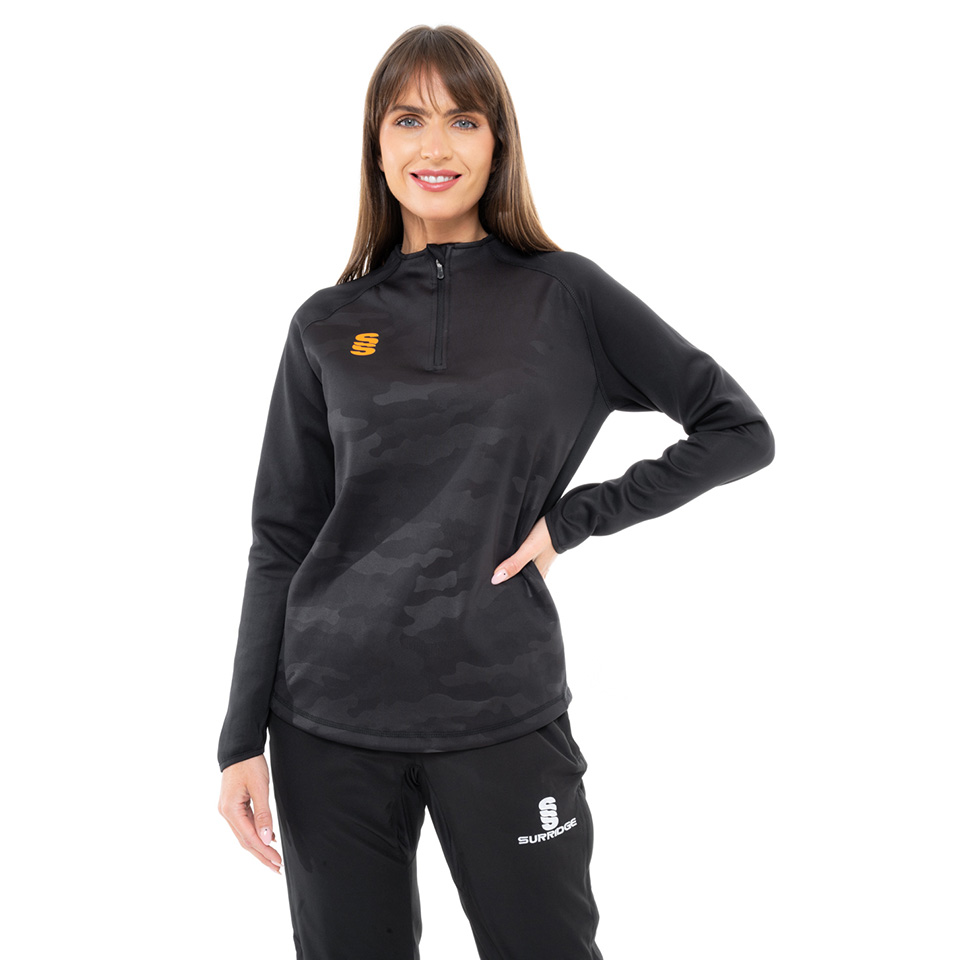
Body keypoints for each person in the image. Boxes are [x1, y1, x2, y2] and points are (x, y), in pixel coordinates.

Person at [217, 23, 774, 960]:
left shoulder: (566, 296)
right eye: (408, 119)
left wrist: (574, 519)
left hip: (500, 707)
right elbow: (282, 535)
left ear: (498, 142)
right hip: (326, 722)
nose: (434, 146)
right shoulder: (328, 322)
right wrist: (240, 739)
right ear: (376, 146)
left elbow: (736, 430)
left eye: (463, 120)